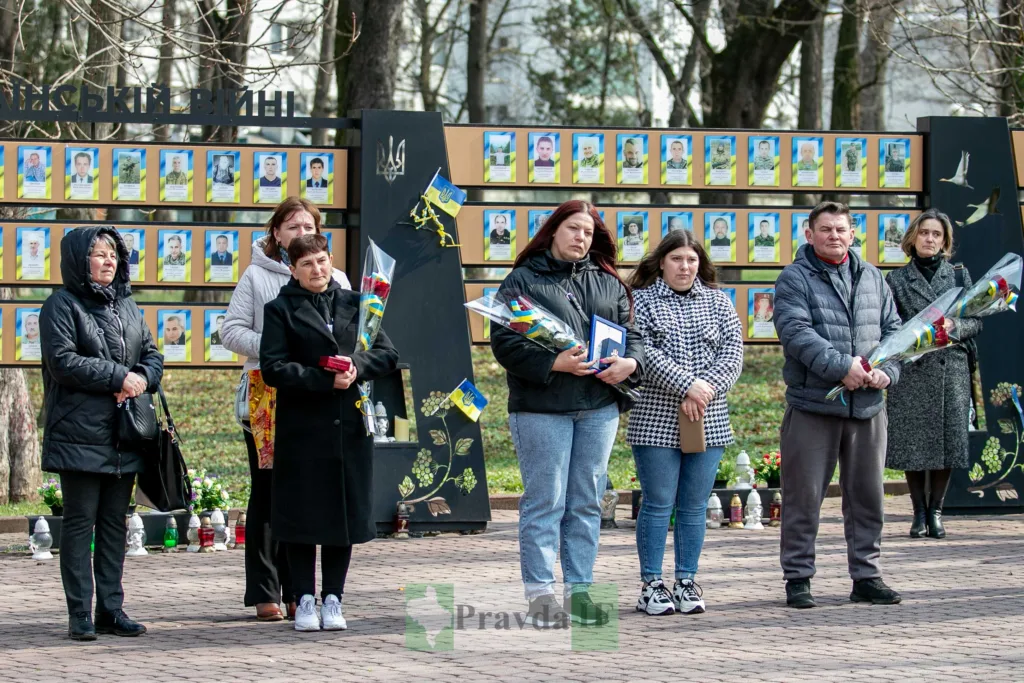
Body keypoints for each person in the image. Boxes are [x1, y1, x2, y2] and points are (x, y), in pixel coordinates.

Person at [490, 199, 643, 628]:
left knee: (586, 502)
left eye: (589, 232)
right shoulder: (523, 279)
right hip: (543, 408)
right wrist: (556, 363)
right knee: (546, 502)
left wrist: (631, 364)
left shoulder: (608, 281)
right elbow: (503, 342)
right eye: (574, 229)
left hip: (598, 408)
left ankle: (580, 592)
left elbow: (635, 335)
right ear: (553, 230)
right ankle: (540, 596)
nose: (581, 238)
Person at [220, 197, 351, 622]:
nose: (301, 235)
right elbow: (231, 330)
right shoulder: (257, 276)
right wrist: (280, 348)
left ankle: (305, 593)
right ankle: (264, 589)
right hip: (268, 393)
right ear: (276, 233)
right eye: (292, 227)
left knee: (315, 490)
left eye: (308, 227)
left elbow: (355, 336)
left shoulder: (339, 277)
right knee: (270, 489)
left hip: (325, 395)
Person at [260, 233, 398, 632]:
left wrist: (355, 365)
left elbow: (388, 354)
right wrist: (323, 379)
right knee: (303, 516)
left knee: (342, 516)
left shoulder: (359, 304)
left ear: (331, 260)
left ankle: (334, 597)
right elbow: (273, 367)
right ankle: (304, 598)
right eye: (306, 265)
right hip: (303, 429)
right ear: (293, 269)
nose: (316, 270)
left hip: (349, 427)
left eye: (321, 261)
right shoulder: (279, 310)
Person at [774, 200, 903, 609]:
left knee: (868, 496)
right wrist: (840, 367)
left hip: (868, 406)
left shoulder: (873, 277)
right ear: (808, 234)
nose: (834, 236)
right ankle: (799, 578)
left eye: (841, 229)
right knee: (803, 496)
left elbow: (895, 331)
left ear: (853, 234)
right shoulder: (795, 278)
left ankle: (866, 576)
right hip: (815, 406)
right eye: (825, 229)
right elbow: (795, 331)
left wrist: (888, 371)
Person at [39, 226, 163, 641]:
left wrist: (142, 377)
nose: (108, 260)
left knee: (115, 523)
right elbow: (63, 362)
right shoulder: (60, 305)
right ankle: (80, 615)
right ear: (78, 259)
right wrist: (118, 377)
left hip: (124, 432)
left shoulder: (127, 305)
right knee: (80, 523)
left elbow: (152, 353)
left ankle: (111, 608)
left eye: (113, 253)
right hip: (78, 431)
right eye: (98, 253)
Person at [626, 229, 743, 616]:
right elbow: (645, 353)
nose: (685, 266)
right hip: (656, 418)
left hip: (708, 419)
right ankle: (651, 584)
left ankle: (686, 581)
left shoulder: (718, 302)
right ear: (662, 261)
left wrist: (704, 389)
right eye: (677, 258)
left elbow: (732, 353)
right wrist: (687, 385)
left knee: (694, 507)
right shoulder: (639, 302)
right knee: (659, 503)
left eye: (691, 260)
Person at [884, 209, 982, 539]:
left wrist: (955, 326)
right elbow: (890, 326)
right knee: (913, 442)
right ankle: (918, 512)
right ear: (912, 237)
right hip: (912, 370)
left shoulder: (958, 276)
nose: (930, 239)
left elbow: (977, 321)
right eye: (924, 233)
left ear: (945, 241)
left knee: (947, 441)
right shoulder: (895, 280)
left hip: (949, 369)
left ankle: (937, 511)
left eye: (937, 234)